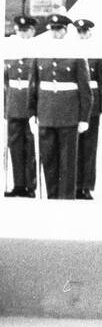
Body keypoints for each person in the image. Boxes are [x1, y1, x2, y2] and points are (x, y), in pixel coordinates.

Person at [34, 14, 91, 199]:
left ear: (66, 31)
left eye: (58, 29)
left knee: (67, 163)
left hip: (68, 116)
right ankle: (52, 197)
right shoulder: (40, 53)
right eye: (52, 29)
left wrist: (84, 118)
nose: (55, 33)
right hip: (46, 115)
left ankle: (66, 199)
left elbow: (85, 90)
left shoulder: (76, 54)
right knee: (49, 161)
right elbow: (33, 85)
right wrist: (31, 114)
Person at [72, 17, 102, 200]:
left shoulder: (96, 54)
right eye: (79, 32)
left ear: (90, 33)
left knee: (89, 147)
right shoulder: (70, 53)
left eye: (85, 31)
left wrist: (101, 106)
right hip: (72, 103)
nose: (82, 35)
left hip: (91, 105)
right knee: (73, 147)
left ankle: (85, 186)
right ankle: (73, 184)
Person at [4, 16, 38, 197]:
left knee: (30, 146)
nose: (22, 35)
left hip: (30, 105)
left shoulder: (38, 53)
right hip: (14, 105)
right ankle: (18, 184)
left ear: (32, 32)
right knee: (15, 145)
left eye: (26, 31)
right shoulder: (10, 53)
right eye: (19, 31)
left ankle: (30, 186)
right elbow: (5, 81)